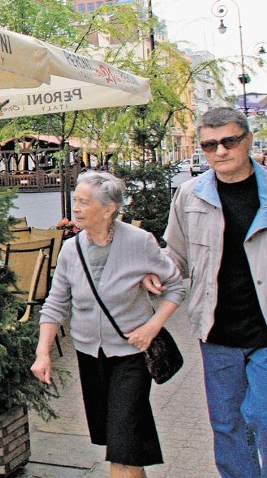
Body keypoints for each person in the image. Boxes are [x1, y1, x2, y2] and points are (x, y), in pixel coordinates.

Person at [32, 171, 185, 478]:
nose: (75, 207)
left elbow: (176, 287)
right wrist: (43, 352)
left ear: (108, 209)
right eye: (75, 199)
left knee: (122, 449)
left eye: (84, 202)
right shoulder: (71, 250)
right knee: (123, 447)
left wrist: (152, 326)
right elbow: (55, 304)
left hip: (131, 356)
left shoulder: (139, 242)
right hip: (90, 358)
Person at [147, 107, 267, 478]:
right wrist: (156, 272)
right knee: (227, 425)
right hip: (216, 331)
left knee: (264, 418)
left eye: (229, 141)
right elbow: (176, 256)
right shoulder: (190, 196)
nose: (220, 151)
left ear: (247, 140)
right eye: (210, 144)